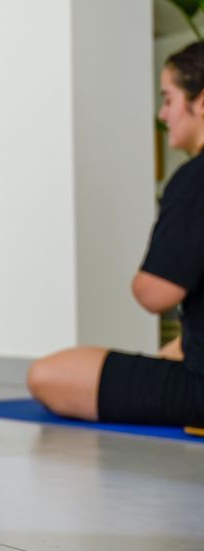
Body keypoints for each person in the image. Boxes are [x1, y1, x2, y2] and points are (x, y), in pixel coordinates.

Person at [28, 42, 204, 427]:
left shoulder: (194, 179)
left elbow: (155, 293)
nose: (162, 115)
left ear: (201, 102)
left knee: (47, 374)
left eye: (168, 99)